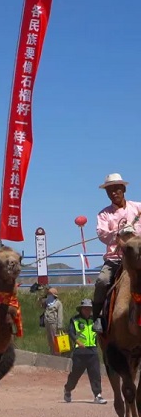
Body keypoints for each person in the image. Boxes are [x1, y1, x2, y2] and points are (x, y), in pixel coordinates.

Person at [93, 173, 141, 333]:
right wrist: (118, 233)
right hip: (115, 259)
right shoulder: (104, 214)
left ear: (123, 189)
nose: (114, 193)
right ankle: (98, 317)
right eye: (110, 190)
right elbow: (102, 235)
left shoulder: (138, 208)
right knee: (102, 281)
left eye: (117, 189)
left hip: (138, 258)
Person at [64, 299, 107, 404]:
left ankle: (97, 395)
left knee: (95, 374)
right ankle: (68, 389)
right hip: (80, 352)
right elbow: (71, 332)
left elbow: (101, 331)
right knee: (75, 374)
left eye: (89, 309)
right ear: (81, 309)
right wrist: (77, 341)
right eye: (85, 308)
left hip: (93, 351)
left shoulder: (95, 319)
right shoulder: (75, 320)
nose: (88, 311)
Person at [40, 288, 64, 355]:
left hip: (54, 323)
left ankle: (57, 354)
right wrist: (41, 298)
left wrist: (60, 325)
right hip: (47, 322)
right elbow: (41, 305)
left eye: (50, 294)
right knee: (50, 340)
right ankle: (52, 353)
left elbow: (60, 315)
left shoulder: (58, 303)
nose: (49, 295)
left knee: (55, 339)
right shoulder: (47, 302)